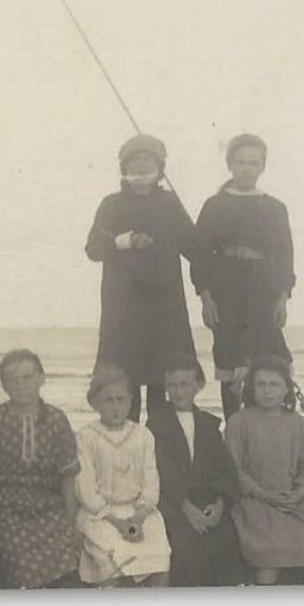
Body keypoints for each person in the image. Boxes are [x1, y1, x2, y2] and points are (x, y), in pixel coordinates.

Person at [85, 133, 200, 421]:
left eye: (148, 158)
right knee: (125, 389)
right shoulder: (111, 204)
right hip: (123, 311)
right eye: (135, 159)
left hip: (165, 310)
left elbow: (195, 249)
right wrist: (125, 240)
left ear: (160, 166)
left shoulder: (170, 203)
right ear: (124, 166)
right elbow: (93, 249)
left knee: (166, 392)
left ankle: (165, 459)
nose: (141, 164)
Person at [191, 134, 296, 416]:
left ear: (262, 166)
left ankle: (271, 428)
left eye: (253, 163)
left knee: (268, 357)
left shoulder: (275, 208)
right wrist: (206, 297)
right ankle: (235, 429)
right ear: (230, 165)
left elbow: (285, 255)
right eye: (241, 162)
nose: (247, 168)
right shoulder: (214, 205)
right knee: (230, 357)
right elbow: (200, 255)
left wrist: (283, 298)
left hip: (263, 289)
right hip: (226, 289)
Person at [0, 350, 83, 589]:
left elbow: (67, 476)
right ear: (3, 384)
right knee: (22, 560)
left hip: (48, 507)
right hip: (3, 509)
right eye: (12, 379)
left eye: (27, 377)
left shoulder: (56, 419)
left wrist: (71, 522)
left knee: (67, 557)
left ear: (41, 378)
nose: (20, 384)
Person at [226, 356, 304, 585]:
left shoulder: (298, 423)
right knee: (269, 558)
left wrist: (299, 492)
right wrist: (263, 494)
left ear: (286, 389)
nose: (267, 391)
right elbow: (235, 469)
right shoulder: (239, 422)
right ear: (251, 389)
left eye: (274, 384)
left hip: (291, 500)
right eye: (261, 385)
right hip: (254, 501)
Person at [147, 355, 241, 588]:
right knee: (185, 546)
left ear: (198, 385)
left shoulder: (209, 424)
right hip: (175, 504)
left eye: (185, 384)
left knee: (226, 539)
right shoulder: (157, 425)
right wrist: (187, 509)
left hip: (208, 503)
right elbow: (163, 472)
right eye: (172, 385)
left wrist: (219, 504)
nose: (178, 392)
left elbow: (223, 468)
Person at [74, 365, 170, 587]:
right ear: (95, 403)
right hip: (101, 516)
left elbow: (151, 480)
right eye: (109, 400)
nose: (116, 407)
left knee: (160, 559)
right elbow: (85, 488)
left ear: (130, 401)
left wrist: (137, 518)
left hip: (140, 512)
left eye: (121, 399)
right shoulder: (86, 437)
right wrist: (118, 523)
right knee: (115, 564)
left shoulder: (143, 435)